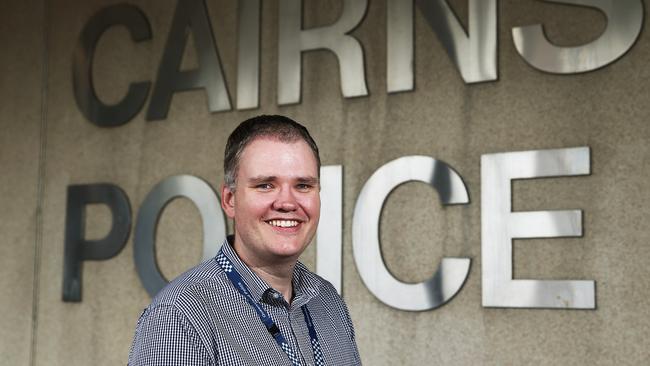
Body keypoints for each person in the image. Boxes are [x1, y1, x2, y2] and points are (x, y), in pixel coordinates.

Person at [128, 115, 361, 365]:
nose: (287, 203)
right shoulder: (181, 315)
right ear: (230, 200)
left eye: (303, 185)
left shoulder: (328, 301)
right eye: (265, 185)